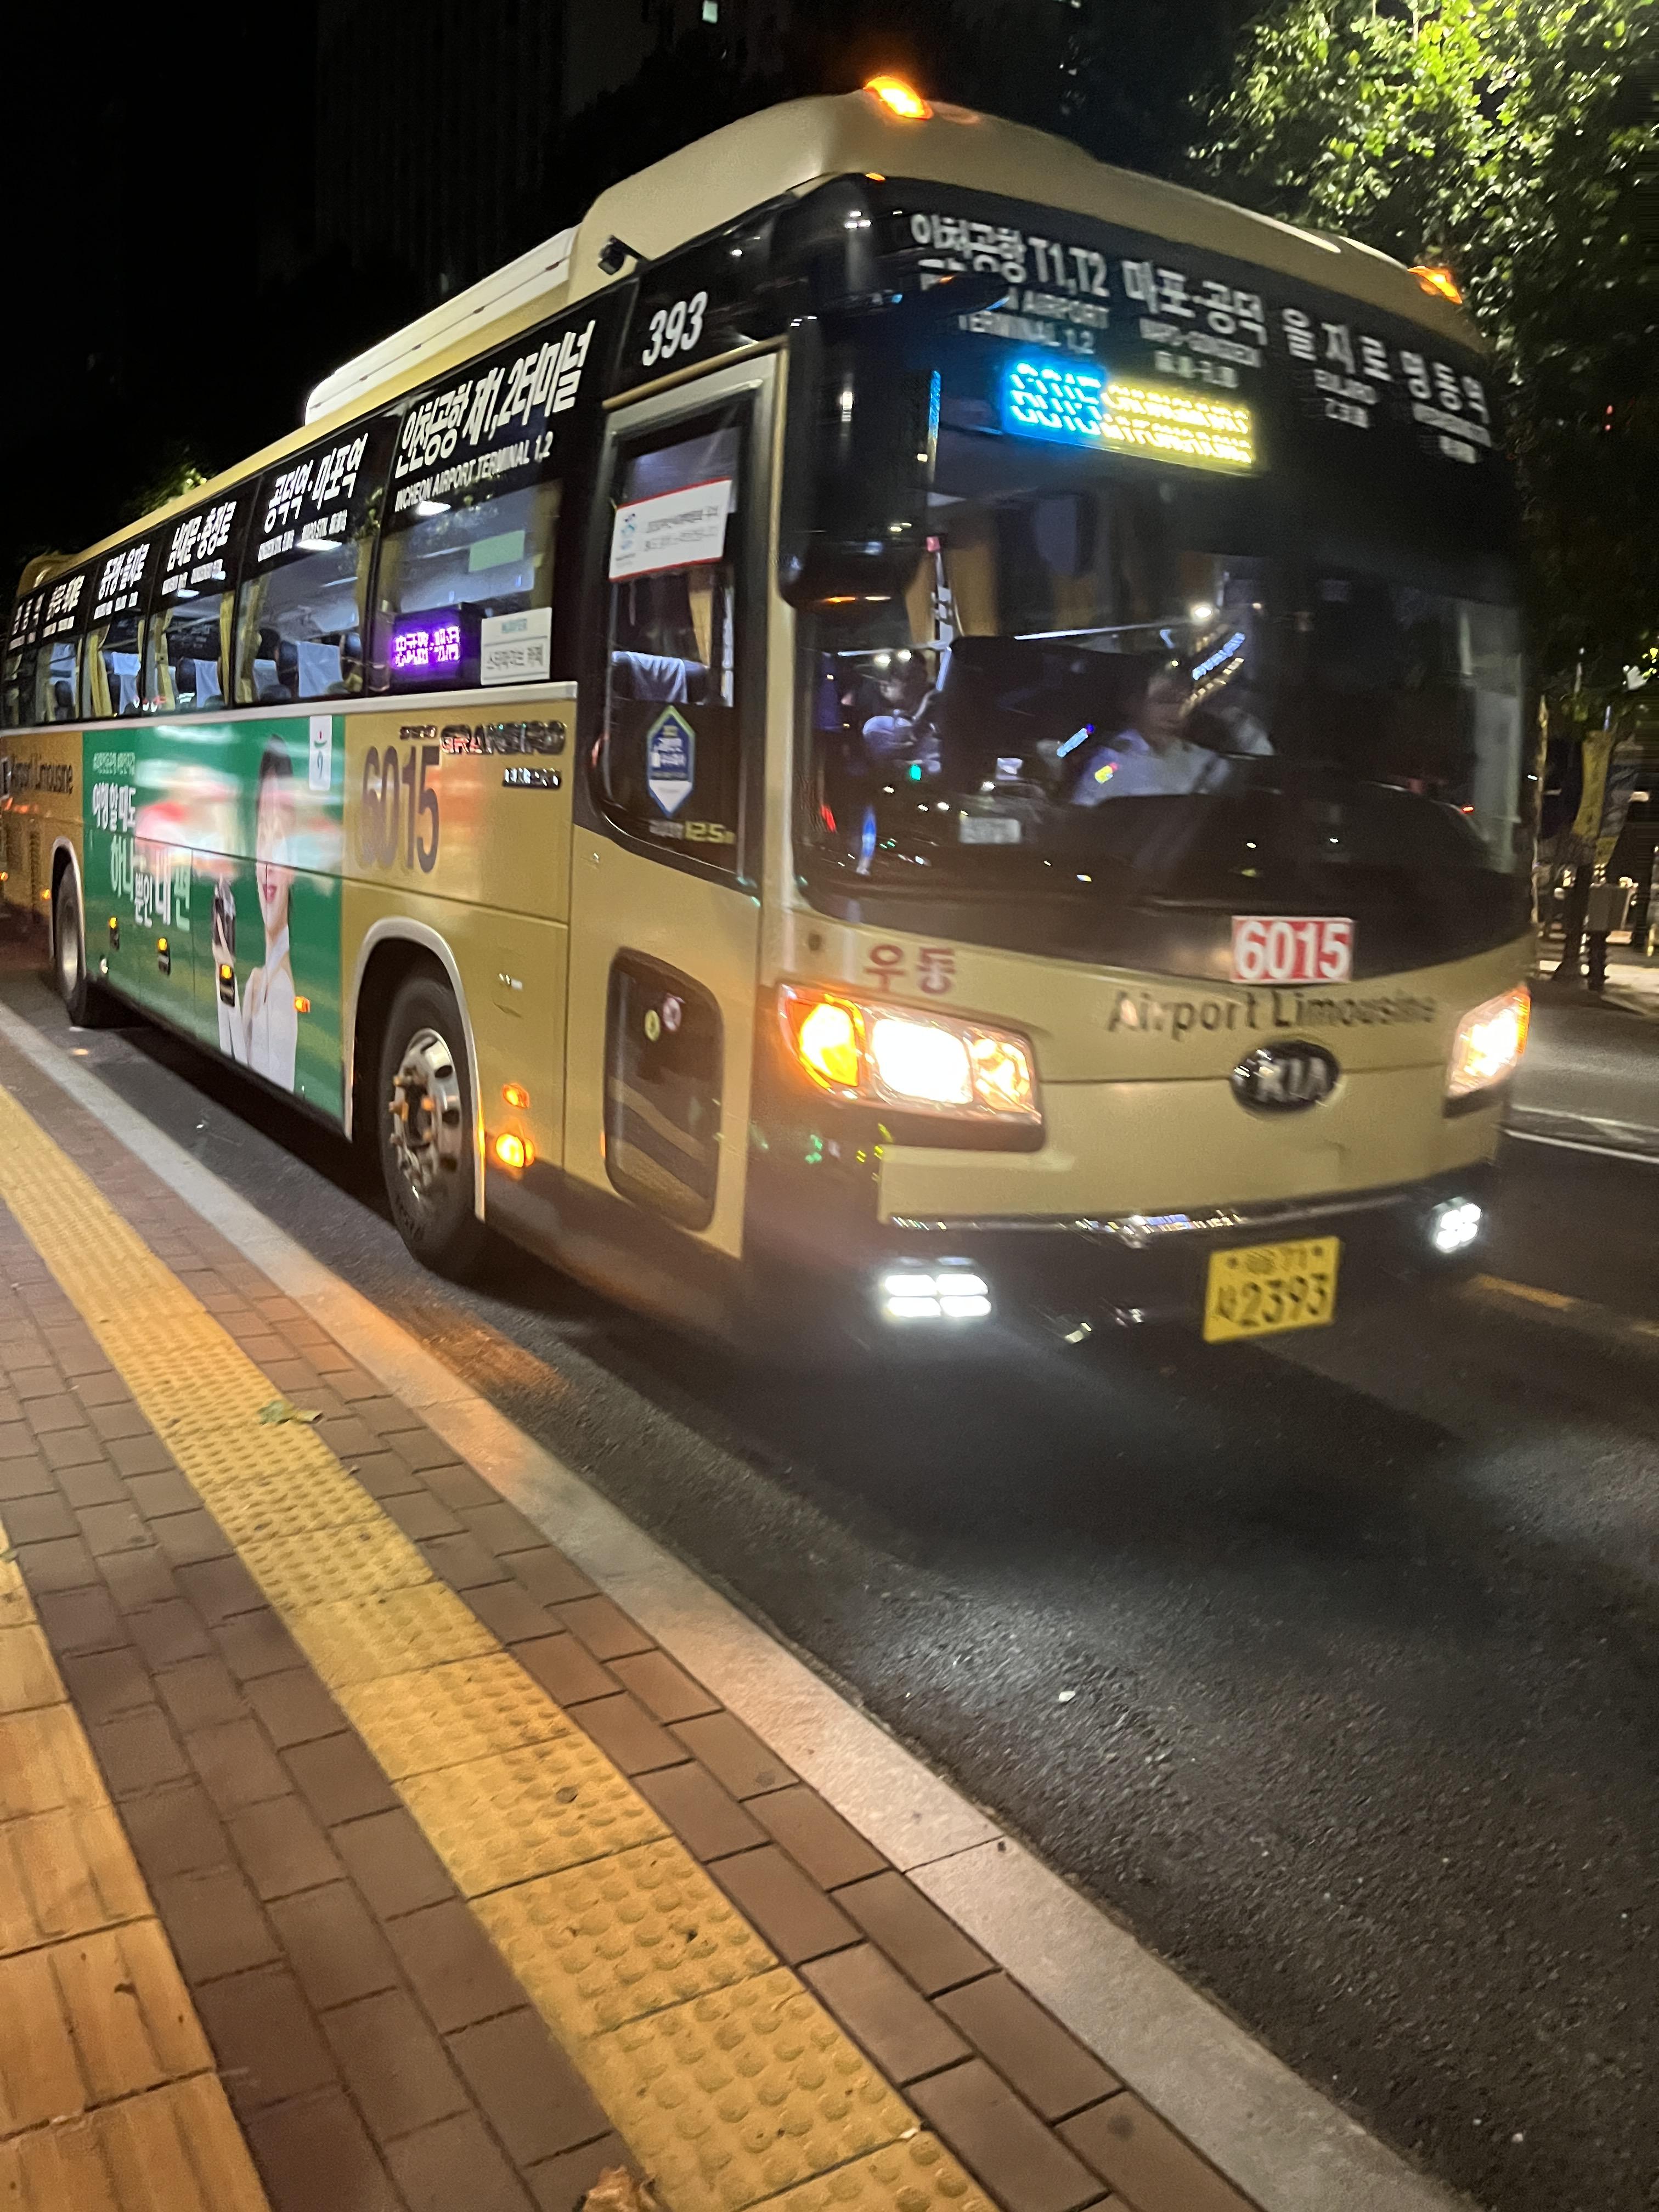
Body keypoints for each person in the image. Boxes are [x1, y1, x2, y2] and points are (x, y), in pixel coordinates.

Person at [216, 743, 299, 1088]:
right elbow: (232, 1064)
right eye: (263, 835)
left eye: (279, 838)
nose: (267, 866)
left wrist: (224, 975)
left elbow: (243, 1083)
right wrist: (223, 969)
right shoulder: (257, 981)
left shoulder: (281, 991)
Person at [1069, 662, 1229, 803]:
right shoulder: (1111, 761)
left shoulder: (1208, 763)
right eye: (1164, 700)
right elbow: (1085, 812)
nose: (1176, 709)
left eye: (1183, 701)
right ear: (1134, 702)